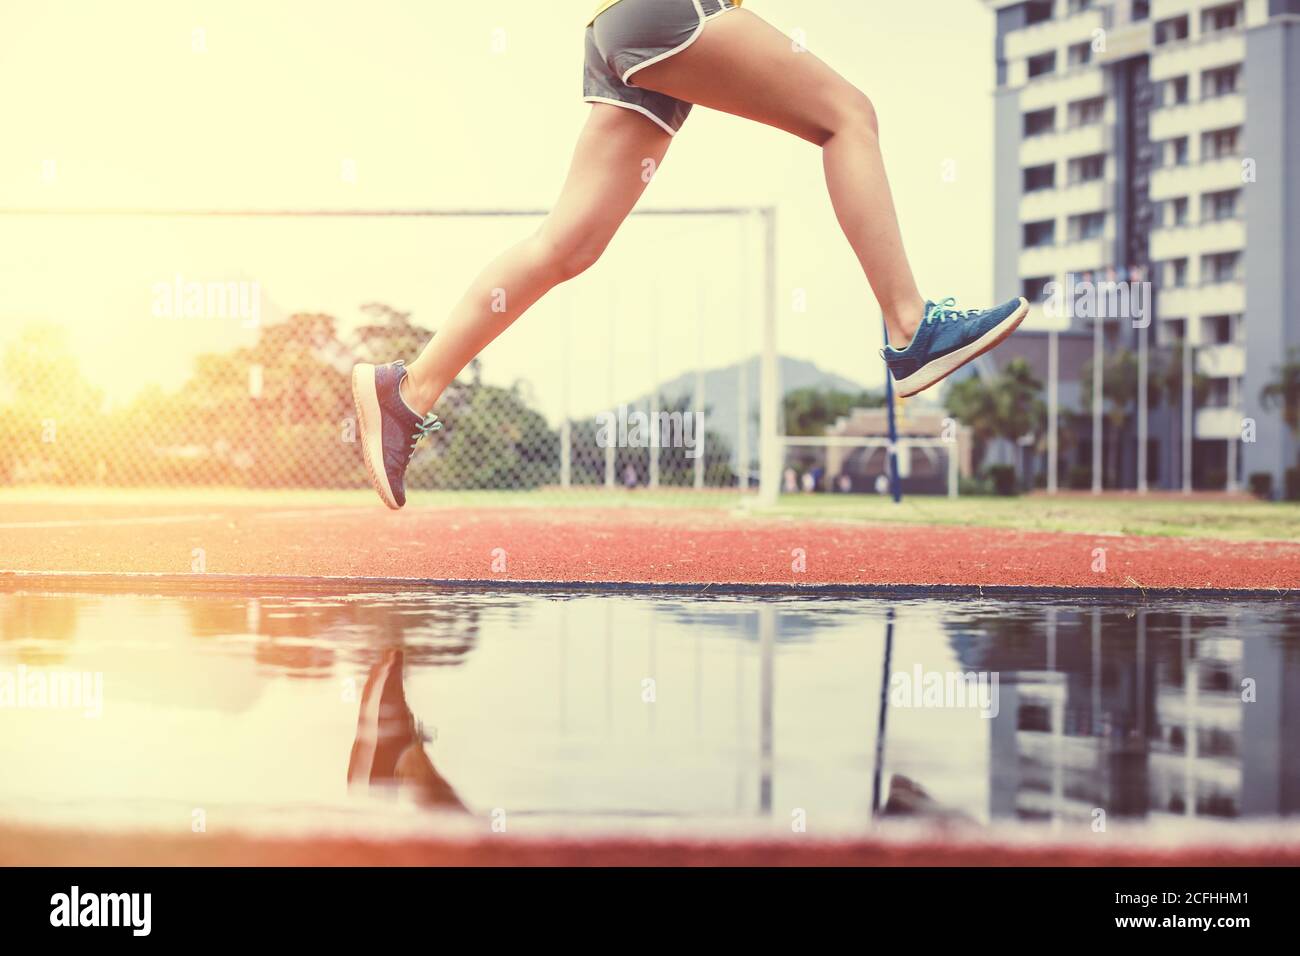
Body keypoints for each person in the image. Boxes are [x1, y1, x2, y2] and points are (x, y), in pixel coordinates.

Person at [351, 0, 1026, 509]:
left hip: (622, 26)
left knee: (566, 245)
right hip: (674, 10)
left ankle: (406, 391)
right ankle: (911, 328)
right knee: (849, 116)